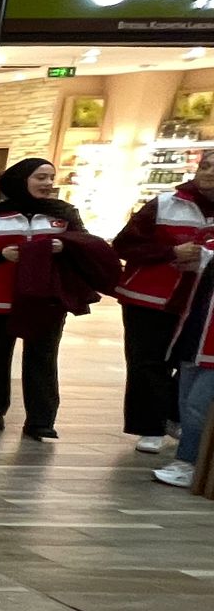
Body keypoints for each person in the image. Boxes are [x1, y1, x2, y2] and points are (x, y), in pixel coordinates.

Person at [0, 159, 84, 440]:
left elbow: (86, 247)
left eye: (51, 177)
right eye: (40, 177)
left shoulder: (65, 214)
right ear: (21, 179)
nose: (48, 183)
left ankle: (41, 420)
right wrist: (0, 256)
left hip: (46, 298)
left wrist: (66, 246)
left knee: (43, 357)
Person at [113, 154, 214, 454]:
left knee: (189, 362)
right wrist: (170, 252)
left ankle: (173, 415)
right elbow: (124, 244)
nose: (208, 173)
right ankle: (149, 427)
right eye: (205, 166)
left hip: (202, 304)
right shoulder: (165, 203)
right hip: (149, 298)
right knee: (147, 362)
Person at [155, 240, 214, 487]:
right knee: (186, 404)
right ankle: (188, 462)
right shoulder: (209, 245)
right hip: (193, 337)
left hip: (209, 345)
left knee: (197, 406)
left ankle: (190, 463)